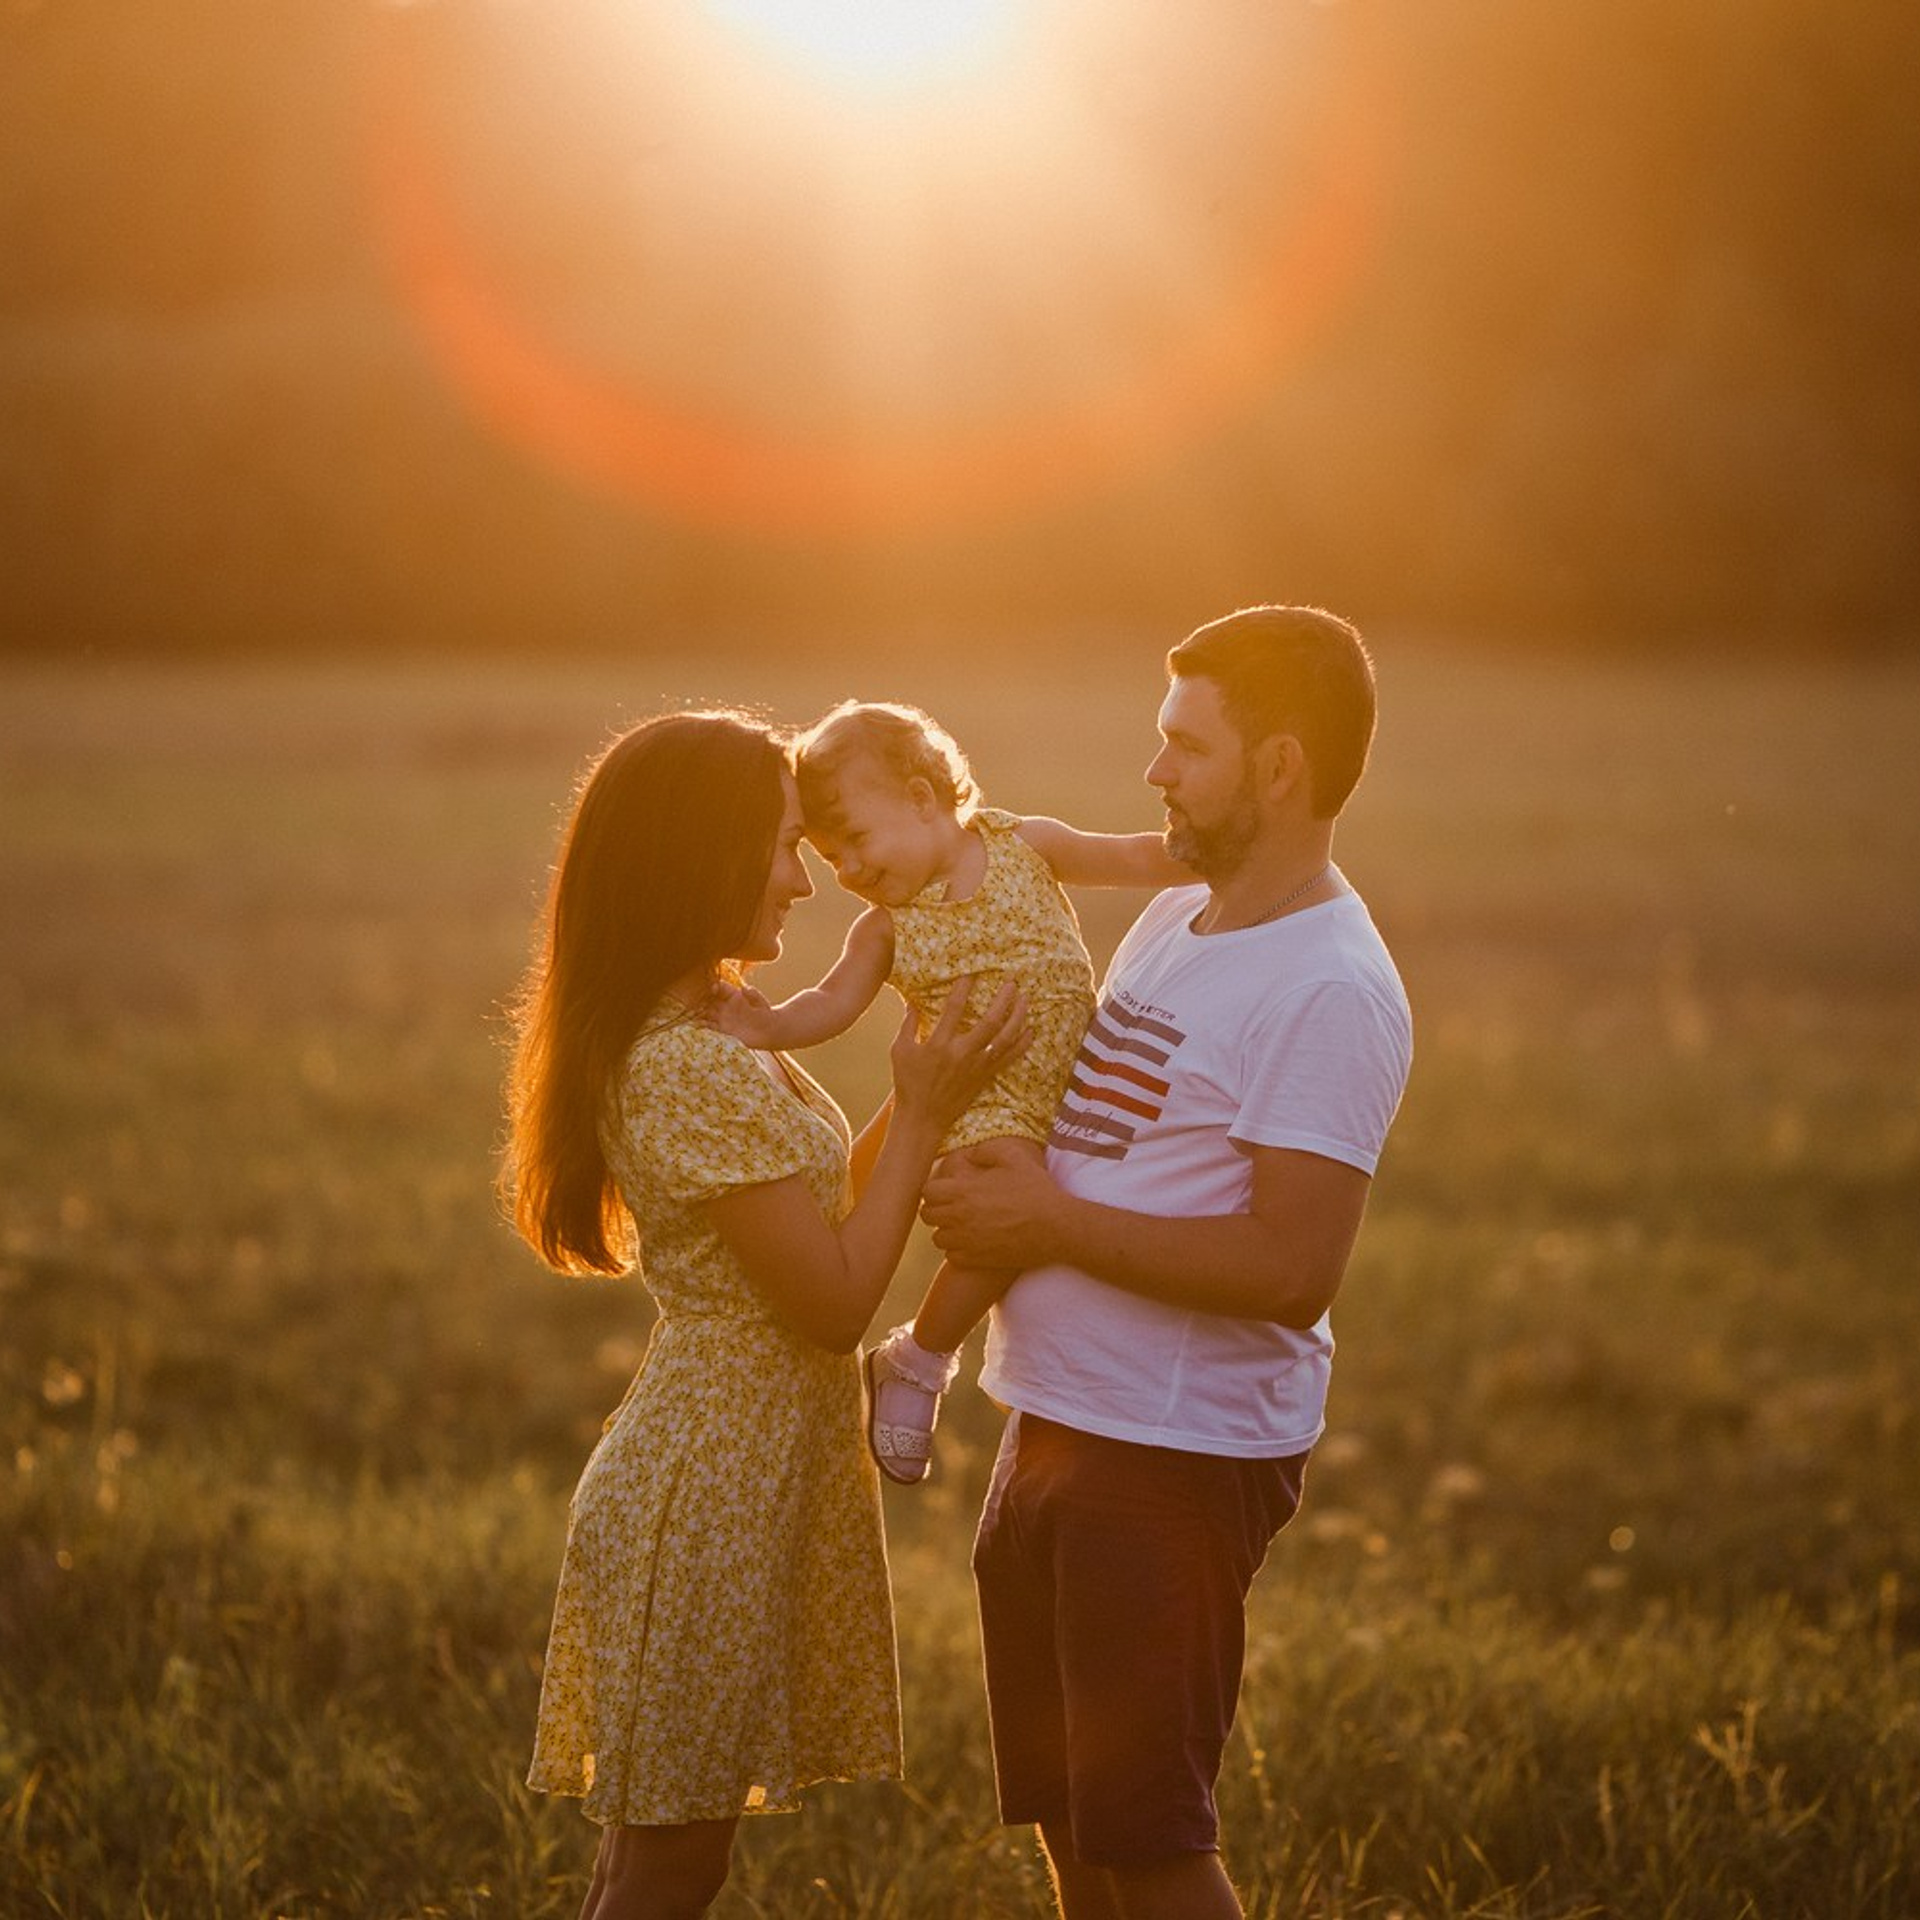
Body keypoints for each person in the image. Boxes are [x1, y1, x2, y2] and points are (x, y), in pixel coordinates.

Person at [921, 607, 1414, 1920]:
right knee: (1079, 1826)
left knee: (1151, 1841)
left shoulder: (1332, 986)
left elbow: (1291, 1264)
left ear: (1279, 771)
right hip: (1060, 1430)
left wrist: (1043, 1226)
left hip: (1173, 1457)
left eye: (1184, 748)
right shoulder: (1179, 921)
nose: (1152, 777)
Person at [499, 709, 1025, 1920]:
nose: (805, 881)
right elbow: (837, 1300)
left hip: (739, 1473)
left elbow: (820, 1210)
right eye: (785, 848)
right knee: (669, 1865)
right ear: (701, 858)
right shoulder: (682, 1060)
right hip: (708, 1492)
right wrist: (931, 1112)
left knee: (662, 1859)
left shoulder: (715, 1027)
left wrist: (934, 1074)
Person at [709, 698, 1190, 1484]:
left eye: (858, 842)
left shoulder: (1021, 842)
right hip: (989, 1101)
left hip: (1076, 1084)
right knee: (1013, 1207)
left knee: (1087, 1202)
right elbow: (830, 1005)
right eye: (835, 863)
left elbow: (1130, 858)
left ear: (923, 797)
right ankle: (920, 1358)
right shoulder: (887, 929)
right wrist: (766, 1025)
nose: (853, 873)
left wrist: (1212, 856)